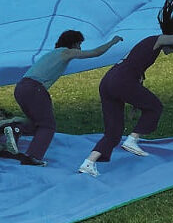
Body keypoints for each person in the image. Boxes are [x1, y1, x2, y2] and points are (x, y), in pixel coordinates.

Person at [78, 0, 173, 178]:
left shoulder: (145, 47)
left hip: (108, 81)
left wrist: (135, 104)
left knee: (113, 132)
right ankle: (132, 140)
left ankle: (88, 163)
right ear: (170, 41)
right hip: (121, 81)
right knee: (155, 107)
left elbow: (135, 79)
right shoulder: (158, 40)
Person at [12, 31, 123, 166]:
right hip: (35, 89)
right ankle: (32, 158)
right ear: (74, 43)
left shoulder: (51, 54)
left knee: (37, 123)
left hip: (20, 88)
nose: (80, 48)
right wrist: (113, 41)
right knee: (47, 125)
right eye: (80, 44)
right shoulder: (66, 52)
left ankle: (13, 128)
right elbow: (95, 52)